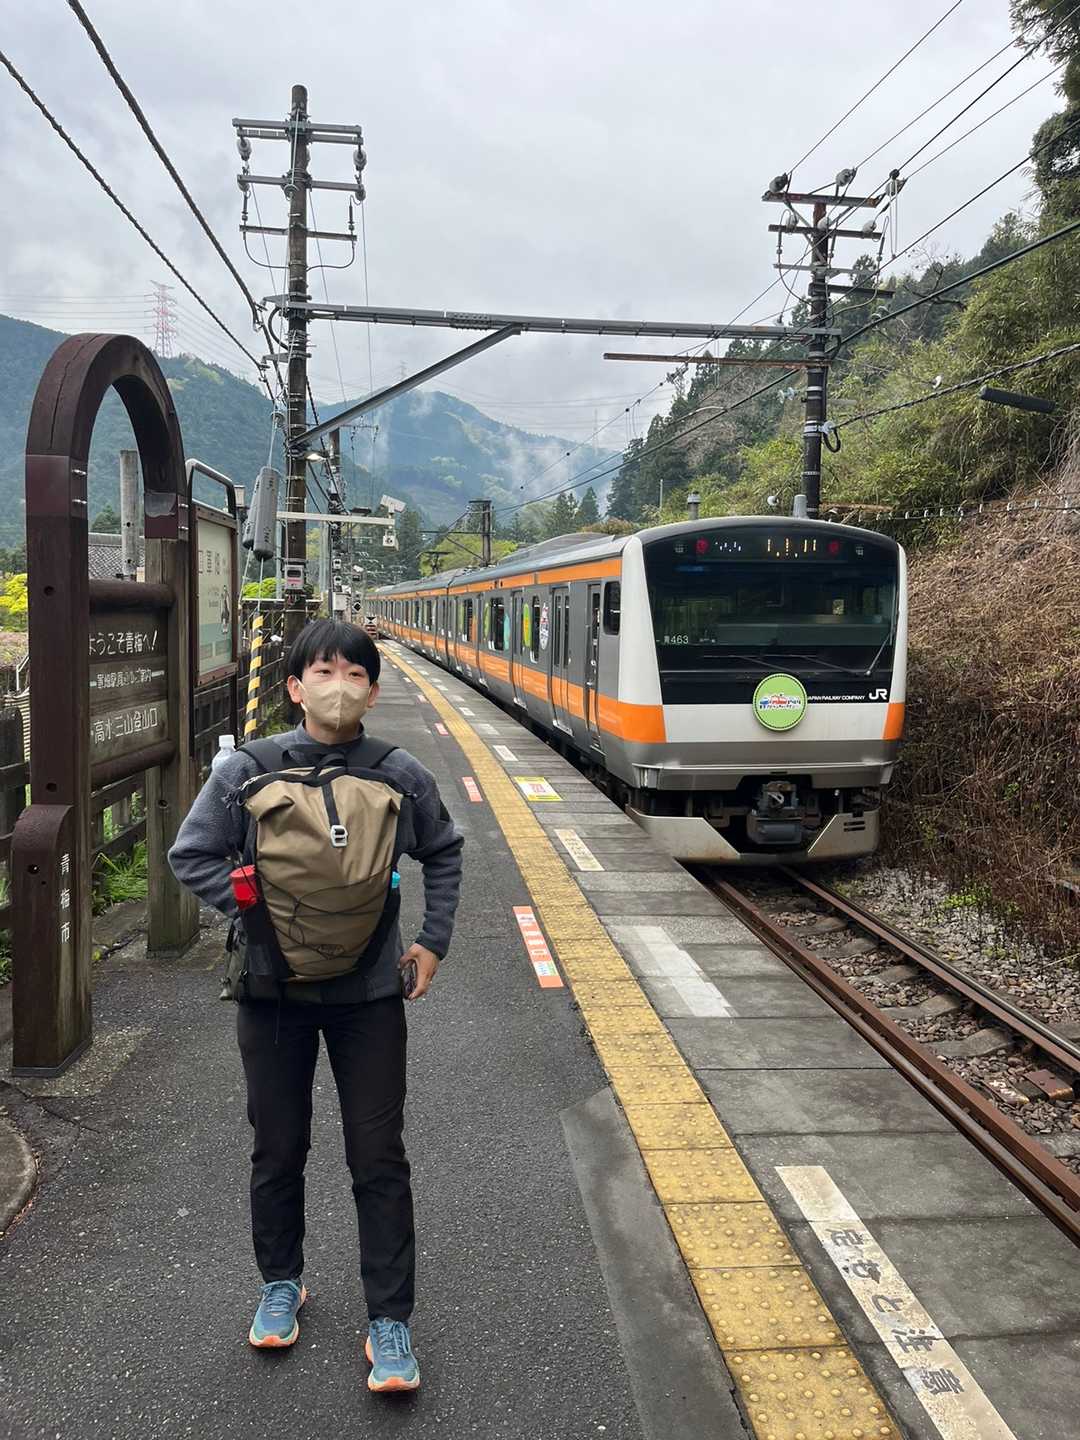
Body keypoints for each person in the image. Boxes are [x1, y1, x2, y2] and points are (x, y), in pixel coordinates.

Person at [168, 618, 463, 1393]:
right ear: (295, 687)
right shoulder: (248, 770)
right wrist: (259, 916)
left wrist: (432, 940)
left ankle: (389, 1318)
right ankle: (281, 1282)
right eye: (324, 672)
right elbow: (190, 853)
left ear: (374, 690)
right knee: (277, 1146)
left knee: (379, 1155)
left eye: (356, 674)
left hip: (371, 995)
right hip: (271, 994)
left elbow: (444, 849)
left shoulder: (400, 773)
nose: (341, 686)